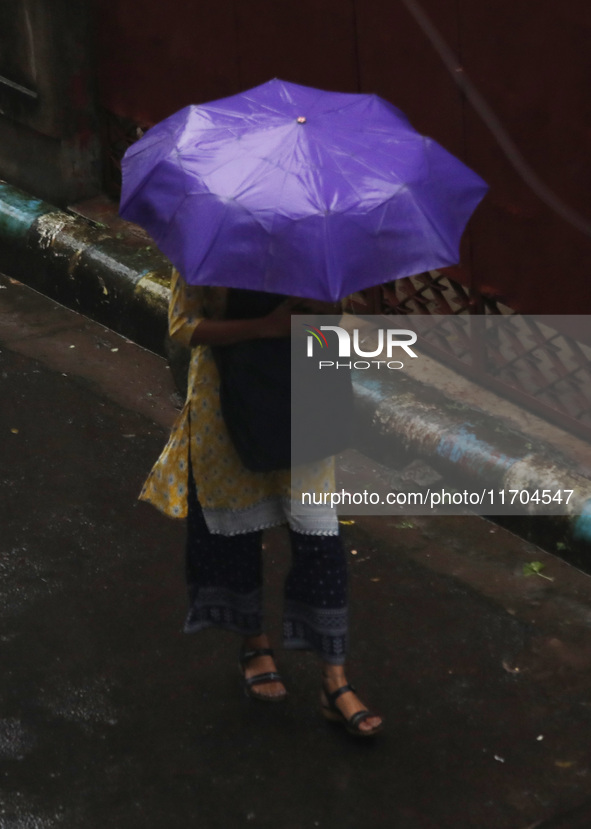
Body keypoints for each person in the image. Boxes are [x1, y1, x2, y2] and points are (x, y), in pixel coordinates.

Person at [139, 269, 383, 737]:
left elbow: (339, 328)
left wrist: (330, 312)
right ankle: (255, 643)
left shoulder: (314, 239)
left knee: (319, 535)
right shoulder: (210, 239)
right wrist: (267, 326)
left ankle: (335, 680)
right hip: (226, 399)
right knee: (236, 530)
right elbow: (183, 327)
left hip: (306, 394)